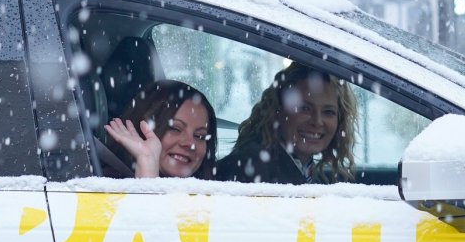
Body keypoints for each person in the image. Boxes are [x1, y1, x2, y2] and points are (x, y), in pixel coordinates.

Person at [216, 64, 356, 185]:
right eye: (304, 108)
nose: (317, 121)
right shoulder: (251, 167)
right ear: (278, 110)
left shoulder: (303, 168)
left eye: (328, 112)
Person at [104, 80, 217, 179]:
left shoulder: (216, 193)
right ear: (141, 129)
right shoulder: (104, 188)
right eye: (175, 129)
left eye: (200, 136)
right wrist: (147, 163)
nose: (190, 143)